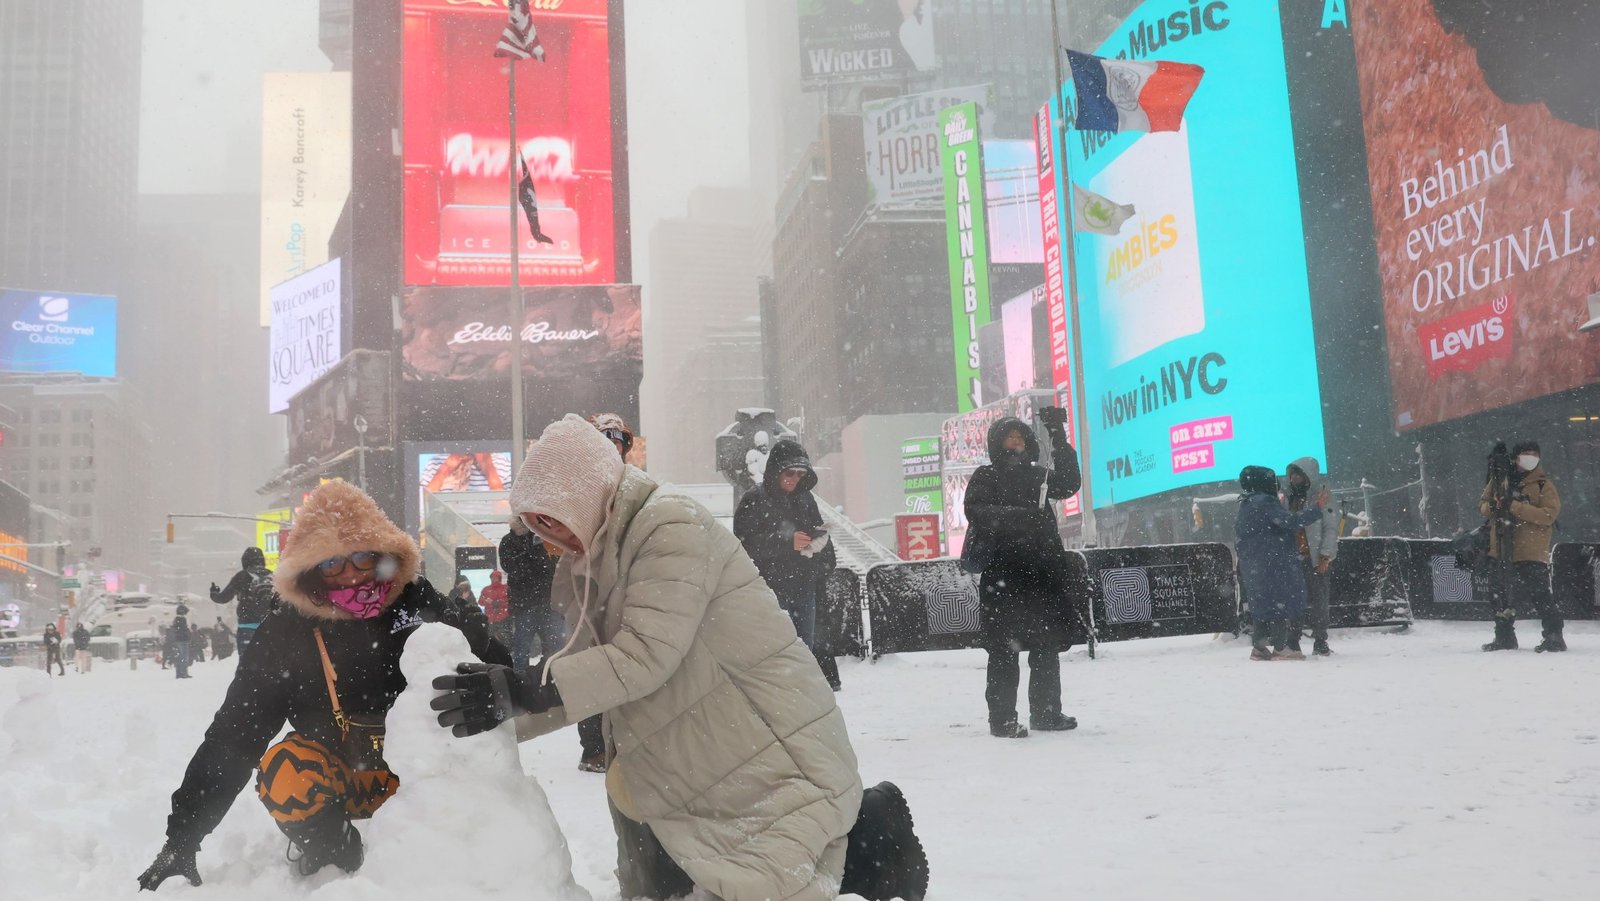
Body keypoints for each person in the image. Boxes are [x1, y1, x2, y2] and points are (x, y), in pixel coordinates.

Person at [431, 415, 928, 901]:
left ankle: (876, 831)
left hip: (758, 724)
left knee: (769, 867)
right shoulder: (591, 562)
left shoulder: (669, 524)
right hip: (691, 735)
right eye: (535, 525)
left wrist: (521, 690)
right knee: (694, 869)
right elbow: (587, 675)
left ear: (582, 497)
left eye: (551, 520)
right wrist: (498, 714)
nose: (547, 539)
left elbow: (645, 655)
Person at [136, 480, 510, 891]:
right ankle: (338, 856)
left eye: (363, 557)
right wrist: (182, 837)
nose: (350, 574)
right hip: (340, 774)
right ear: (312, 571)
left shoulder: (418, 601)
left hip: (425, 774)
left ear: (384, 556)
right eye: (332, 564)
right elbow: (235, 735)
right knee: (283, 769)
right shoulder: (287, 630)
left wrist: (492, 662)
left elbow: (501, 678)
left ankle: (444, 851)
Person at [962, 410, 1082, 738]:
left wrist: (1058, 435)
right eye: (1009, 437)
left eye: (1020, 437)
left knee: (1045, 647)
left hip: (1042, 575)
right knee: (1004, 650)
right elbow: (976, 509)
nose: (1015, 442)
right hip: (1004, 576)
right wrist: (1020, 518)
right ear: (997, 443)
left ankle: (1046, 713)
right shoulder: (986, 476)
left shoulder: (1039, 476)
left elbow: (1071, 482)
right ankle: (1002, 720)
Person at [734, 437, 843, 691]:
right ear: (776, 470)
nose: (794, 479)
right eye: (790, 473)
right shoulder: (754, 499)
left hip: (803, 588)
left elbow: (823, 544)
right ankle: (782, 695)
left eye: (800, 474)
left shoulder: (805, 500)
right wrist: (787, 543)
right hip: (768, 592)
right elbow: (743, 546)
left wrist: (815, 553)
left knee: (804, 650)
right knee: (773, 652)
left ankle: (800, 694)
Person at [499, 513, 605, 772]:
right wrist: (533, 553)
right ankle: (522, 688)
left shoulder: (548, 540)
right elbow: (515, 568)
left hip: (548, 605)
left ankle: (548, 682)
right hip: (525, 604)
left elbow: (554, 569)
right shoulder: (510, 542)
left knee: (559, 652)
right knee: (523, 650)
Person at [1236, 466, 1329, 661]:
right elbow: (1289, 521)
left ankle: (1259, 648)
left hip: (1253, 564)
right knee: (1281, 601)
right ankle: (1281, 647)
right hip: (1273, 562)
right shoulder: (1265, 502)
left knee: (1261, 604)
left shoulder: (1246, 504)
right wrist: (1316, 510)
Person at [1479, 440, 1564, 652]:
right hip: (1501, 547)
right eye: (1526, 453)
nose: (1530, 457)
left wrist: (1514, 506)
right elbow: (1483, 504)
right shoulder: (1500, 480)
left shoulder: (1544, 485)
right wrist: (1494, 507)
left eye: (1534, 454)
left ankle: (1554, 635)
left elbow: (1548, 515)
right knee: (1499, 594)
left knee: (1540, 594)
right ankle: (1504, 636)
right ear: (1516, 458)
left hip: (1531, 550)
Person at [1285, 458, 1341, 656]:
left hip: (1315, 558)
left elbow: (1331, 528)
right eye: (1292, 474)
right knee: (1294, 601)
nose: (1294, 478)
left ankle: (1320, 640)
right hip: (1294, 559)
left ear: (1309, 475)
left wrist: (1326, 555)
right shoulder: (1290, 499)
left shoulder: (1323, 496)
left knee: (1319, 600)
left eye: (1299, 474)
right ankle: (1293, 640)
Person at [210, 547, 276, 658]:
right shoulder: (272, 576)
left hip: (247, 627)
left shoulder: (242, 576)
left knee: (247, 664)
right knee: (269, 663)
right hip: (269, 628)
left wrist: (213, 593)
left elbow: (223, 598)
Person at [477, 570, 511, 649]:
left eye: (495, 578)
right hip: (495, 618)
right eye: (492, 578)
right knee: (497, 638)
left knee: (499, 639)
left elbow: (508, 602)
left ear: (499, 578)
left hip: (500, 618)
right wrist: (489, 602)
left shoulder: (504, 589)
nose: (493, 579)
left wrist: (494, 602)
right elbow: (480, 601)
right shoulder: (504, 589)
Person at [170, 608, 192, 679]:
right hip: (183, 640)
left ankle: (179, 673)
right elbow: (184, 630)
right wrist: (189, 635)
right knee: (184, 657)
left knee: (180, 657)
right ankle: (184, 673)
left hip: (178, 640)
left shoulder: (176, 620)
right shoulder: (182, 619)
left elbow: (176, 629)